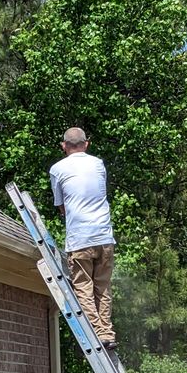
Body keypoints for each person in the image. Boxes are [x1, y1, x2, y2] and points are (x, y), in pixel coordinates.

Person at [49, 127, 117, 350]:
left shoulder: (57, 169)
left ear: (64, 146)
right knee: (102, 287)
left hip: (80, 239)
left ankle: (97, 333)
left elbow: (61, 207)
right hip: (104, 237)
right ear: (86, 144)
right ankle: (107, 332)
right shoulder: (98, 164)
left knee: (83, 288)